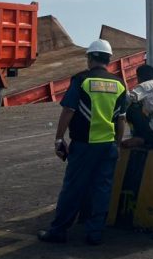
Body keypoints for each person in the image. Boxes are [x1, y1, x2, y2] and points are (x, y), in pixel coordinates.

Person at [37, 39, 127, 246]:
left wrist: (59, 139)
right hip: (108, 146)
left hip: (84, 145)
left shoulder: (82, 80)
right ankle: (95, 233)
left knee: (73, 188)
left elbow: (69, 110)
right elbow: (121, 118)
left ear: (91, 58)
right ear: (108, 59)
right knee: (102, 189)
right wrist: (117, 144)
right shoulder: (119, 84)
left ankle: (59, 231)